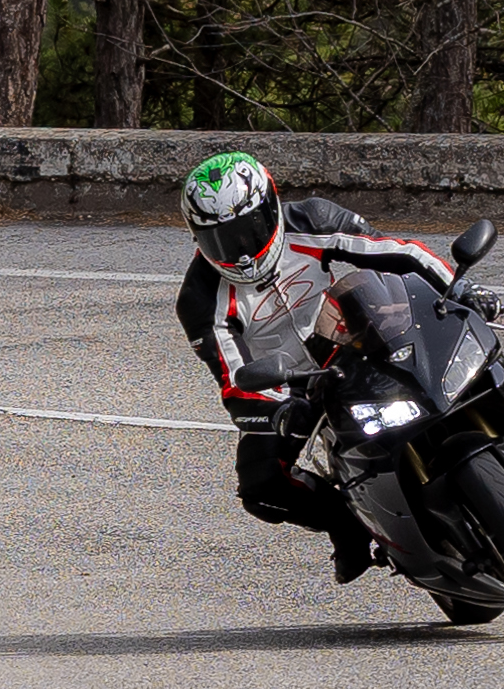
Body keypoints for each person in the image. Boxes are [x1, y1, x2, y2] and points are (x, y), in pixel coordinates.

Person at [177, 151, 458, 582]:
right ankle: (346, 524)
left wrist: (458, 290)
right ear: (197, 237)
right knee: (260, 487)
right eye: (222, 239)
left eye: (250, 229)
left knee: (445, 343)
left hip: (355, 340)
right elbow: (234, 380)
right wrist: (279, 410)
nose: (242, 249)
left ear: (272, 207)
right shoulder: (198, 299)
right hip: (292, 387)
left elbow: (399, 253)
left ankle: (502, 403)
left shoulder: (312, 219)